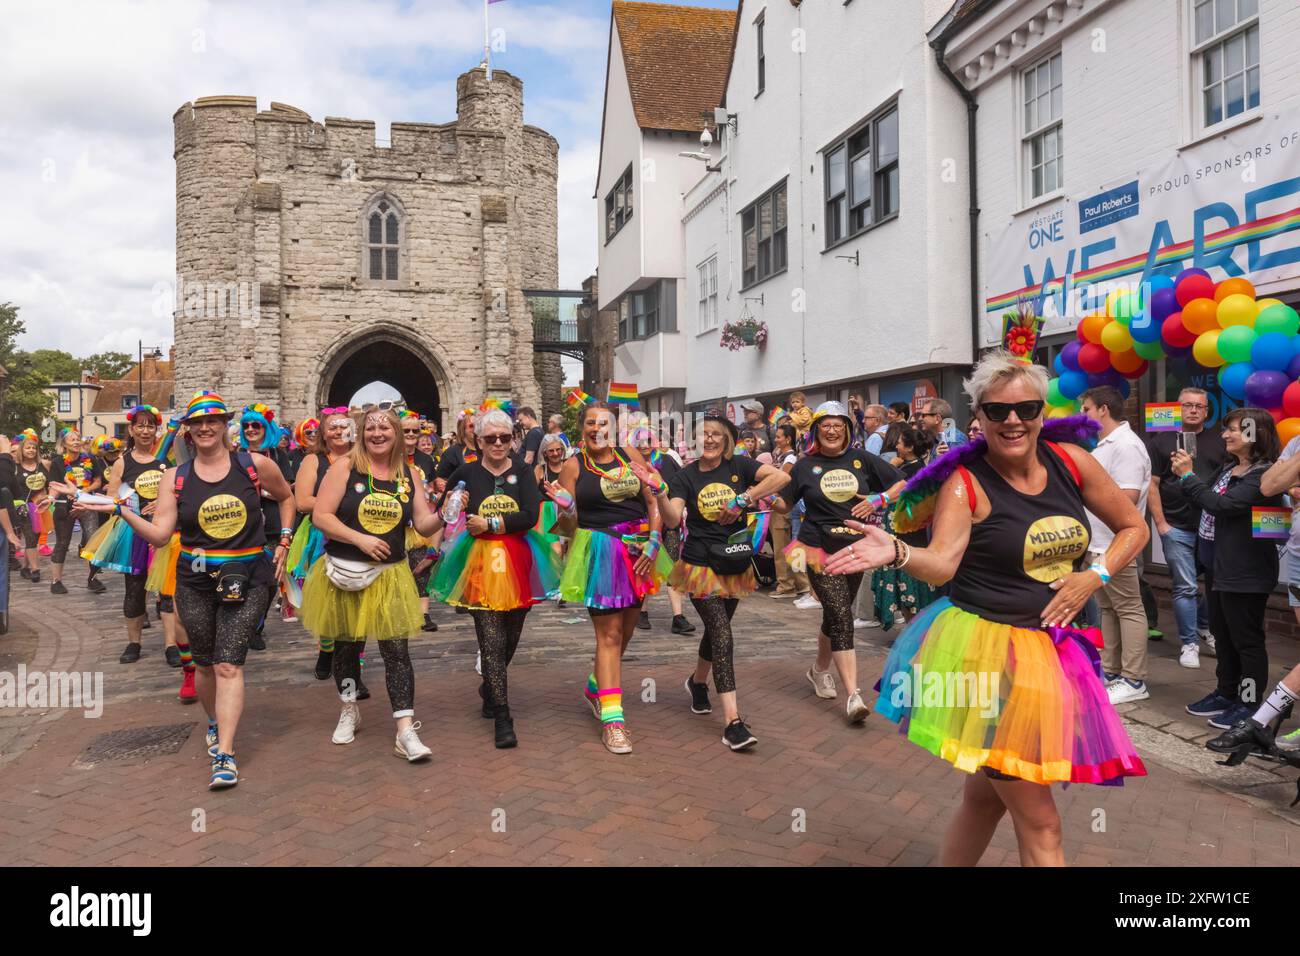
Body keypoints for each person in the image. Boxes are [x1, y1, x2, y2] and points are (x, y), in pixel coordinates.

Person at [825, 351, 1148, 866]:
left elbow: (1135, 528)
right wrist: (899, 551)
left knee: (984, 800)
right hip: (989, 660)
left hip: (1053, 654)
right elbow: (943, 564)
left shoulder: (1073, 462)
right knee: (1041, 822)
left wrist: (1095, 575)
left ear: (1043, 411)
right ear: (978, 417)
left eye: (1026, 409)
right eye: (997, 411)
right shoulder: (965, 482)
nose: (1013, 421)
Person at [80, 390, 295, 789]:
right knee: (206, 662)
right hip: (194, 580)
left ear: (224, 425)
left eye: (214, 419)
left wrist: (283, 539)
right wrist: (121, 511)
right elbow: (161, 536)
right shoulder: (175, 478)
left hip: (248, 576)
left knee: (230, 663)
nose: (206, 427)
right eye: (198, 422)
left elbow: (286, 497)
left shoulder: (254, 465)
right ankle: (213, 721)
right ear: (189, 431)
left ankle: (226, 755)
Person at [301, 406, 443, 763]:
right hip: (345, 572)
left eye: (385, 428)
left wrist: (445, 513)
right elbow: (321, 516)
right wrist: (359, 539)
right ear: (361, 433)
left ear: (396, 433)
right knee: (347, 649)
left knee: (397, 651)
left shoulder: (409, 473)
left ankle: (405, 730)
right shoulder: (344, 467)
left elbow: (423, 523)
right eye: (371, 428)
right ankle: (349, 708)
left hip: (390, 574)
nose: (378, 434)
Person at [651, 414, 789, 750]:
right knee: (723, 635)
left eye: (716, 434)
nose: (709, 440)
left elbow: (781, 478)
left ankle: (697, 682)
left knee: (719, 629)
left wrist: (744, 498)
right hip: (700, 565)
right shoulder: (685, 476)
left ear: (726, 440)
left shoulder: (740, 466)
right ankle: (733, 722)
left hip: (736, 561)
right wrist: (659, 494)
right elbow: (672, 519)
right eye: (703, 435)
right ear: (694, 442)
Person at [430, 409, 561, 748]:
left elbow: (530, 515)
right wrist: (453, 503)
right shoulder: (466, 472)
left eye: (505, 438)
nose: (499, 443)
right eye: (491, 438)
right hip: (478, 562)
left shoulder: (521, 470)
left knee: (511, 636)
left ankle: (490, 683)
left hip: (517, 560)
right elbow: (446, 510)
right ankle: (503, 716)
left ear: (513, 439)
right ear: (479, 441)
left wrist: (491, 524)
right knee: (491, 639)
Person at [549, 402, 674, 754]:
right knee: (610, 634)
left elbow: (651, 496)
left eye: (603, 422)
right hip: (600, 551)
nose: (596, 428)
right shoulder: (573, 466)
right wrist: (566, 506)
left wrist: (653, 541)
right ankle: (614, 721)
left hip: (638, 551)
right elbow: (569, 527)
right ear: (582, 428)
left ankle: (595, 685)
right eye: (590, 423)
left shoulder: (628, 453)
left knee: (627, 633)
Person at [771, 402, 906, 723]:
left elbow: (902, 482)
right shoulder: (805, 466)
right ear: (816, 430)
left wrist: (880, 498)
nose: (832, 430)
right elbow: (782, 504)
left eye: (838, 425)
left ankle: (819, 670)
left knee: (835, 614)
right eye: (825, 425)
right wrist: (759, 496)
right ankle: (853, 695)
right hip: (818, 547)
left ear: (847, 428)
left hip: (855, 548)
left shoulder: (861, 459)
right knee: (841, 614)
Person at [1177, 407, 1283, 731]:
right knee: (1222, 636)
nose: (1224, 435)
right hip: (1219, 569)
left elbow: (1222, 505)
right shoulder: (1230, 469)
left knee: (1246, 641)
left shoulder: (1263, 476)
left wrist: (1187, 476)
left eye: (1232, 429)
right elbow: (1205, 499)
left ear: (1253, 433)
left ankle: (1248, 703)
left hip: (1246, 572)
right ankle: (1226, 693)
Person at [81, 407, 186, 666]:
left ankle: (171, 644)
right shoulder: (122, 462)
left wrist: (164, 503)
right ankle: (134, 642)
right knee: (135, 589)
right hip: (135, 533)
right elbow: (112, 498)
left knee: (167, 590)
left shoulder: (167, 461)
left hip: (165, 531)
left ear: (156, 430)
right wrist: (130, 507)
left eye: (150, 426)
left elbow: (181, 491)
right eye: (140, 425)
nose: (145, 430)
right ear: (131, 430)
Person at [1079, 386, 1153, 706]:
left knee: (1128, 608)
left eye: (1086, 409)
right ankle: (1111, 671)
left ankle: (1134, 679)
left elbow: (1129, 497)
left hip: (1116, 543)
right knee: (1108, 608)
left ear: (1103, 410)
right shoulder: (1104, 445)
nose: (1083, 415)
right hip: (1098, 543)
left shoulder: (1126, 445)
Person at [1147, 387, 1226, 667]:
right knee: (1186, 586)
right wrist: (1161, 524)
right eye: (1188, 405)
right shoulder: (1162, 441)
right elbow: (1153, 484)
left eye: (1199, 407)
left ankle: (1204, 627)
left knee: (1216, 584)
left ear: (1207, 411)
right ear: (1178, 408)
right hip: (1176, 526)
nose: (1193, 410)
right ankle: (1189, 643)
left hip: (1213, 526)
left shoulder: (1221, 441)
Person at [287, 408, 355, 679]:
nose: (338, 432)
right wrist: (345, 505)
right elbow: (303, 501)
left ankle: (352, 667)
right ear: (323, 434)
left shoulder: (363, 460)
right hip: (320, 537)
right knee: (328, 599)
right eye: (332, 427)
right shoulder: (314, 461)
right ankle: (327, 648)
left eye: (343, 426)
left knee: (353, 599)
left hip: (355, 534)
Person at [858, 425, 936, 630]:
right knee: (909, 588)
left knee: (909, 586)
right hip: (905, 532)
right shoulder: (914, 467)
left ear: (909, 447)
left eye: (900, 442)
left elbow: (892, 495)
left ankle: (914, 633)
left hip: (904, 533)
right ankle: (913, 630)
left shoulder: (911, 471)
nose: (896, 445)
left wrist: (871, 500)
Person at [628, 416, 694, 635]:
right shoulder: (629, 465)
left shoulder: (668, 461)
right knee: (647, 564)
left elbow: (681, 486)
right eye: (640, 442)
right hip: (644, 524)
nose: (645, 446)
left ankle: (678, 616)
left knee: (674, 567)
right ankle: (642, 612)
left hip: (670, 522)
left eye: (648, 440)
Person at [237, 403, 293, 650]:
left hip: (271, 525)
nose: (250, 429)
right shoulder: (235, 454)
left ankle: (256, 625)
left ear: (265, 427)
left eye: (255, 425)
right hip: (243, 528)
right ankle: (245, 625)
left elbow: (288, 491)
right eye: (246, 425)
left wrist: (264, 491)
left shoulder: (279, 455)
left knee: (269, 582)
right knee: (244, 578)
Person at [399, 409, 438, 634]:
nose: (412, 434)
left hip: (419, 519)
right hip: (397, 519)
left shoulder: (426, 459)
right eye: (407, 430)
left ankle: (423, 614)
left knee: (421, 564)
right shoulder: (391, 455)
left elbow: (432, 486)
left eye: (416, 430)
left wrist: (433, 492)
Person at [767, 423, 811, 601]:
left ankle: (786, 585)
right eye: (775, 436)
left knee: (782, 547)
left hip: (783, 506)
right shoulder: (780, 455)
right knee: (790, 547)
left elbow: (780, 482)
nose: (776, 439)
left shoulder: (790, 459)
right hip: (782, 505)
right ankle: (800, 585)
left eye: (779, 437)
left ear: (788, 439)